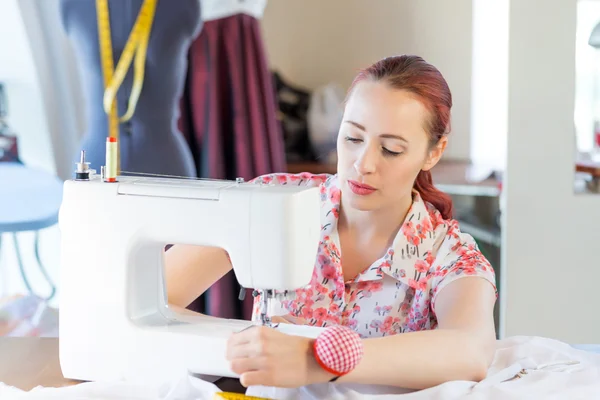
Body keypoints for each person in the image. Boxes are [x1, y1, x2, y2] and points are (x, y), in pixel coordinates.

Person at [165, 54, 497, 391]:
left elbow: (470, 350)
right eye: (352, 139)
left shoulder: (451, 256)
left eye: (391, 149)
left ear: (433, 152)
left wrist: (319, 359)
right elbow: (149, 297)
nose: (362, 164)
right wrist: (250, 349)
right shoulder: (274, 203)